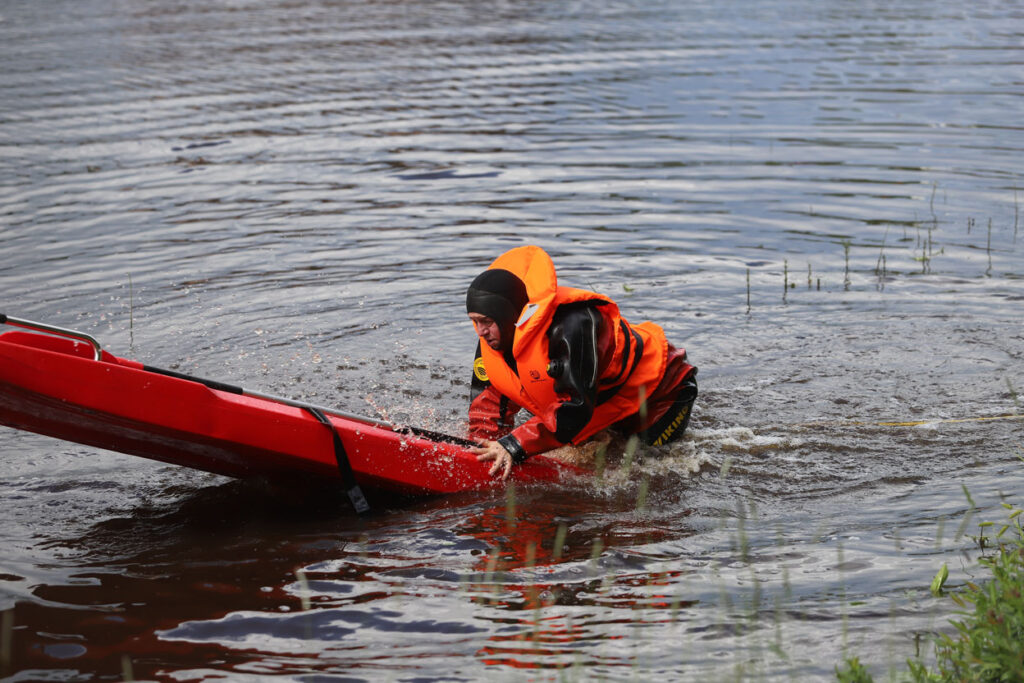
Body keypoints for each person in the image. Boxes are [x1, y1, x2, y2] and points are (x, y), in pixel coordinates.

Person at [466, 245, 698, 479]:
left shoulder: (573, 327)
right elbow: (488, 404)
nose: (481, 331)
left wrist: (514, 446)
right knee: (594, 450)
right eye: (474, 321)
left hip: (662, 391)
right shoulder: (494, 337)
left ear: (509, 315)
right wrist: (481, 448)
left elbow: (574, 409)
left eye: (485, 321)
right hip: (602, 401)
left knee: (641, 472)